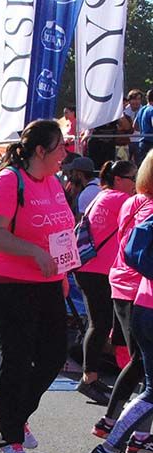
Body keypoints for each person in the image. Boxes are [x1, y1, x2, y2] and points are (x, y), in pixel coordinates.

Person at [0, 119, 75, 453]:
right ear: (40, 150)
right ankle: (9, 438)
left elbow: (60, 232)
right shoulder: (7, 180)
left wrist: (62, 270)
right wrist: (33, 252)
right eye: (60, 146)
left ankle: (13, 415)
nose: (65, 152)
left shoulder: (53, 182)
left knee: (53, 356)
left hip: (48, 281)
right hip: (5, 282)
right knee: (17, 356)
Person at [92, 153, 153, 453]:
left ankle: (117, 426)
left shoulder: (131, 202)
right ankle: (118, 430)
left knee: (139, 364)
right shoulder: (146, 206)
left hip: (124, 283)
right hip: (136, 287)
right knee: (140, 365)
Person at [75, 160, 136, 404]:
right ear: (119, 179)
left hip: (92, 268)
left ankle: (96, 376)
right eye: (133, 178)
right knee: (100, 324)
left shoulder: (103, 196)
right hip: (97, 269)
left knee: (103, 324)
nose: (135, 184)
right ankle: (89, 378)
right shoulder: (118, 199)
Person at [136, 89, 153, 165]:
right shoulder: (152, 109)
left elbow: (135, 126)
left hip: (142, 143)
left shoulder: (142, 109)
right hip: (151, 144)